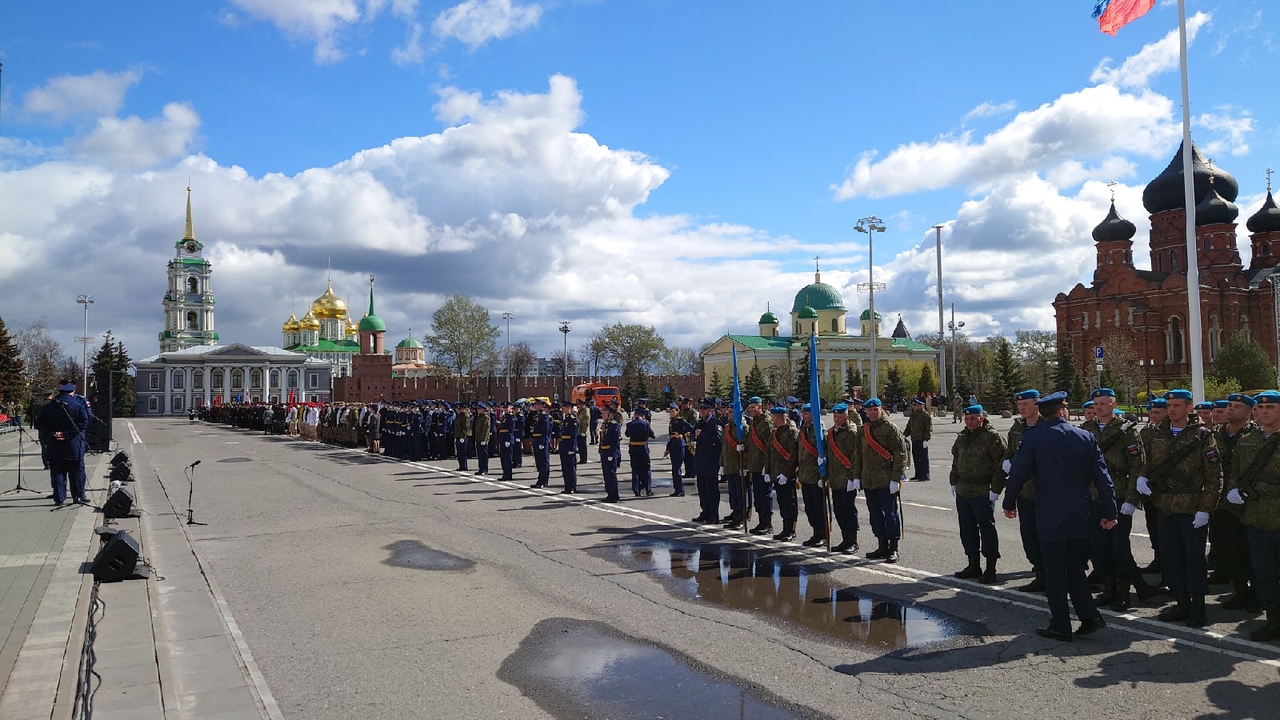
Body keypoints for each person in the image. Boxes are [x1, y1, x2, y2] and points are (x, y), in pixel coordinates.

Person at [1003, 391, 1118, 642]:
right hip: (1080, 511)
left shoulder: (1034, 437)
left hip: (1050, 512)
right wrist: (1110, 511)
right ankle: (1089, 617)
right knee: (1074, 566)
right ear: (1063, 410)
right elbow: (1103, 478)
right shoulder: (1085, 436)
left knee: (1055, 570)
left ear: (1042, 412)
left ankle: (1060, 625)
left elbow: (1018, 474)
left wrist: (1009, 501)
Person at [1136, 389, 1222, 628]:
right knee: (1171, 559)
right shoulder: (1155, 434)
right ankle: (1181, 602)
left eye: (1177, 405)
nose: (1172, 409)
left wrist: (1206, 509)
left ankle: (1198, 607)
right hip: (1164, 507)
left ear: (1188, 408)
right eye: (1169, 405)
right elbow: (1144, 462)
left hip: (1191, 509)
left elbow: (1214, 475)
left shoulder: (1203, 435)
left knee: (1194, 561)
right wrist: (1141, 477)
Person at [1081, 388, 1152, 610]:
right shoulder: (1087, 429)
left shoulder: (1127, 431)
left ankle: (1123, 594)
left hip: (1117, 496)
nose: (1099, 407)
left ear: (1113, 404)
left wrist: (1132, 500)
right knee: (1098, 548)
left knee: (1119, 548)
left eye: (1103, 403)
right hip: (1093, 497)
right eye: (1096, 404)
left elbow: (1137, 467)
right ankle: (1108, 590)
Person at [1225, 390, 1280, 640]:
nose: (1263, 412)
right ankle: (1274, 621)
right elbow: (1236, 471)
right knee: (1264, 571)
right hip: (1256, 516)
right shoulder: (1247, 440)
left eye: (1270, 408)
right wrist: (1233, 489)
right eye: (1260, 408)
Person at [1213, 392, 1260, 612]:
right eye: (1230, 405)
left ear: (1250, 412)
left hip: (1251, 503)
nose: (1231, 409)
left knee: (1252, 551)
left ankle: (1257, 593)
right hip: (1222, 503)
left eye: (1237, 407)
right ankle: (1239, 590)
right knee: (1230, 550)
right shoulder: (1215, 435)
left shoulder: (1256, 436)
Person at [950, 405, 1007, 584]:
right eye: (967, 419)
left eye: (973, 419)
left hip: (983, 491)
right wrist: (954, 481)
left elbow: (1000, 464)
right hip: (964, 491)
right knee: (967, 529)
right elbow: (956, 461)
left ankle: (991, 568)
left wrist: (996, 489)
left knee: (987, 529)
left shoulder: (992, 437)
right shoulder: (962, 437)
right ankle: (973, 565)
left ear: (981, 418)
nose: (969, 422)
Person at [1005, 389, 1045, 592]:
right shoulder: (1017, 428)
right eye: (1019, 405)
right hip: (1024, 492)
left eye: (1025, 404)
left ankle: (1051, 574)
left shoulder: (1046, 425)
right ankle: (1039, 572)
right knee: (1029, 535)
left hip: (1046, 493)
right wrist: (1008, 461)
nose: (1021, 408)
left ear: (1037, 405)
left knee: (1046, 536)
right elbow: (1011, 451)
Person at [859, 398, 906, 562]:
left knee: (890, 515)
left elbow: (900, 454)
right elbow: (859, 455)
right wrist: (858, 476)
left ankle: (893, 548)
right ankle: (882, 545)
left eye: (875, 410)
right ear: (865, 412)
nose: (872, 413)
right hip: (869, 481)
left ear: (881, 410)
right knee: (875, 515)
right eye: (869, 410)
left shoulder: (890, 429)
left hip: (886, 481)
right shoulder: (863, 430)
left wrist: (895, 478)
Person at [33, 380, 90, 506]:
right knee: (75, 471)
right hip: (73, 443)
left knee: (58, 471)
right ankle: (77, 496)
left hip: (54, 443)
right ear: (72, 392)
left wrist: (52, 433)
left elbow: (39, 423)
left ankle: (59, 498)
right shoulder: (78, 405)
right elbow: (84, 422)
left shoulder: (48, 407)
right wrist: (67, 434)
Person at [826, 403, 861, 553]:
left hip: (847, 478)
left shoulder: (851, 432)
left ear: (846, 416)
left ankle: (853, 541)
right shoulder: (832, 432)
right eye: (835, 416)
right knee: (839, 511)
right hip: (835, 478)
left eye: (840, 416)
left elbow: (855, 457)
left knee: (849, 510)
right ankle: (845, 539)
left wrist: (853, 477)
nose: (836, 419)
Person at [764, 405, 800, 541]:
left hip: (787, 476)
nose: (771, 419)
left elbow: (793, 456)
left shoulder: (791, 432)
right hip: (776, 474)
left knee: (790, 503)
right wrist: (767, 471)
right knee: (782, 502)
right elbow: (769, 452)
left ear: (779, 417)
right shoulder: (775, 432)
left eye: (773, 417)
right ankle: (785, 529)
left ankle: (791, 530)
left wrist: (786, 473)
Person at [742, 397, 775, 535]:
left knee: (765, 495)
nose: (751, 410)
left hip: (763, 465)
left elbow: (770, 445)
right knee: (758, 495)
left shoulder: (766, 422)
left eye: (753, 407)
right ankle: (761, 521)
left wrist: (766, 466)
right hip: (754, 465)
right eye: (750, 408)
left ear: (760, 407)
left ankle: (767, 523)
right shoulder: (754, 422)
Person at [796, 402, 827, 547]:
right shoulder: (804, 429)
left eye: (806, 413)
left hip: (816, 475)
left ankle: (823, 534)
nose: (803, 416)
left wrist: (824, 472)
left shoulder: (819, 429)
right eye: (803, 413)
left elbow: (825, 449)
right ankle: (815, 532)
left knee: (819, 507)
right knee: (809, 507)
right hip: (805, 475)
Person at [691, 399, 723, 523]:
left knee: (711, 490)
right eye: (700, 409)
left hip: (711, 461)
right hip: (700, 461)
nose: (701, 411)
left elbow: (718, 441)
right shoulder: (700, 423)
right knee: (702, 489)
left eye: (704, 409)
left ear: (710, 411)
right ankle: (705, 512)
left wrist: (703, 434)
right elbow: (694, 433)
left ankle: (714, 515)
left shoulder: (715, 423)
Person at [720, 402, 750, 530]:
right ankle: (736, 514)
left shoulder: (742, 427)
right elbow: (724, 448)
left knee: (741, 493)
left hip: (739, 466)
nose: (728, 414)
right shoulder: (728, 427)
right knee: (733, 493)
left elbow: (748, 448)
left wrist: (745, 466)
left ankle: (742, 518)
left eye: (731, 412)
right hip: (730, 465)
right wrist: (722, 464)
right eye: (728, 412)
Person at [625, 409, 654, 496]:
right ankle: (648, 489)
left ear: (635, 415)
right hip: (643, 447)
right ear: (643, 416)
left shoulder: (630, 424)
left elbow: (627, 434)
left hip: (634, 448)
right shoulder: (646, 423)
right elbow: (651, 434)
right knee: (646, 468)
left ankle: (636, 490)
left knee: (635, 469)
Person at [904, 398, 933, 481]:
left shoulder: (925, 415)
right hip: (914, 439)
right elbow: (909, 427)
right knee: (916, 457)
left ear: (920, 406)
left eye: (915, 405)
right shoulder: (913, 415)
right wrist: (904, 435)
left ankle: (925, 475)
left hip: (922, 439)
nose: (914, 407)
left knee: (923, 458)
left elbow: (929, 428)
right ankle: (918, 474)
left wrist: (926, 439)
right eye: (914, 405)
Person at [599, 405, 622, 502]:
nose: (603, 415)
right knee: (606, 474)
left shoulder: (614, 425)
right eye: (603, 413)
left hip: (610, 453)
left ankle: (614, 495)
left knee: (611, 475)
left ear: (610, 414)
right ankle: (609, 494)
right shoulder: (605, 424)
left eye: (605, 413)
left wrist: (611, 454)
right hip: (604, 452)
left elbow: (614, 441)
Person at [528, 401, 552, 488]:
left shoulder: (544, 416)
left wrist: (543, 442)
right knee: (539, 461)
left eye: (536, 405)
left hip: (541, 440)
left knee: (543, 462)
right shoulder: (537, 415)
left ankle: (543, 481)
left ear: (541, 406)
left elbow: (545, 430)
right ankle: (540, 480)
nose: (534, 406)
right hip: (536, 439)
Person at [557, 407, 578, 493]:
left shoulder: (573, 420)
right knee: (565, 467)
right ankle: (567, 486)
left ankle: (572, 487)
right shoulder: (566, 419)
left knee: (570, 468)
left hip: (569, 445)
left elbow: (574, 436)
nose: (562, 410)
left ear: (569, 408)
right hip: (564, 445)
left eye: (564, 408)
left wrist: (572, 448)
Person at [473, 404, 491, 476]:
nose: (478, 410)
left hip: (483, 439)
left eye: (479, 409)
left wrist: (484, 439)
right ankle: (481, 469)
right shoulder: (478, 417)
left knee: (484, 455)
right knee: (480, 455)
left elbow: (486, 430)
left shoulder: (486, 417)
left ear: (483, 409)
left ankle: (485, 469)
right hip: (478, 438)